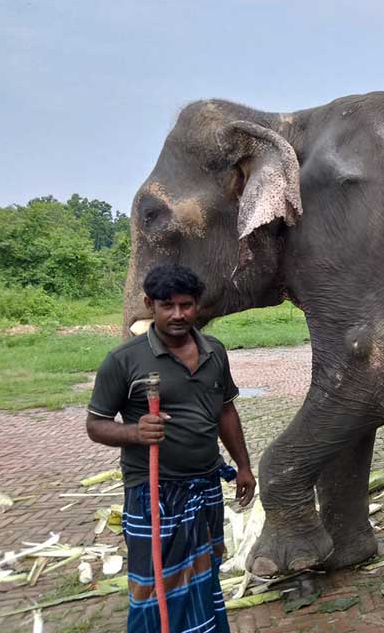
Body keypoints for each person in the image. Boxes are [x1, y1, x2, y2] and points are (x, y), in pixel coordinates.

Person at [86, 264, 256, 633]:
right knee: (154, 585)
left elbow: (226, 410)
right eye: (167, 306)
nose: (178, 314)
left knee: (205, 573)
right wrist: (135, 433)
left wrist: (243, 466)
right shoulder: (125, 360)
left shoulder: (214, 352)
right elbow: (95, 425)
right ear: (150, 305)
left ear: (198, 306)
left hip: (206, 486)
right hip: (153, 492)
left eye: (186, 305)